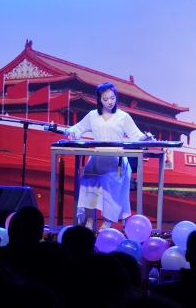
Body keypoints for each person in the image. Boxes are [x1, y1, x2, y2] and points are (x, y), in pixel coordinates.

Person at [65, 81, 152, 229]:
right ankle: (89, 220)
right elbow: (77, 128)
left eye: (112, 98)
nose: (110, 102)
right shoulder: (92, 115)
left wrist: (145, 137)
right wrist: (71, 132)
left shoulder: (123, 116)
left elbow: (136, 135)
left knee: (113, 190)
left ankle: (108, 221)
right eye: (105, 99)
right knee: (88, 186)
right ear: (99, 99)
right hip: (97, 159)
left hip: (116, 161)